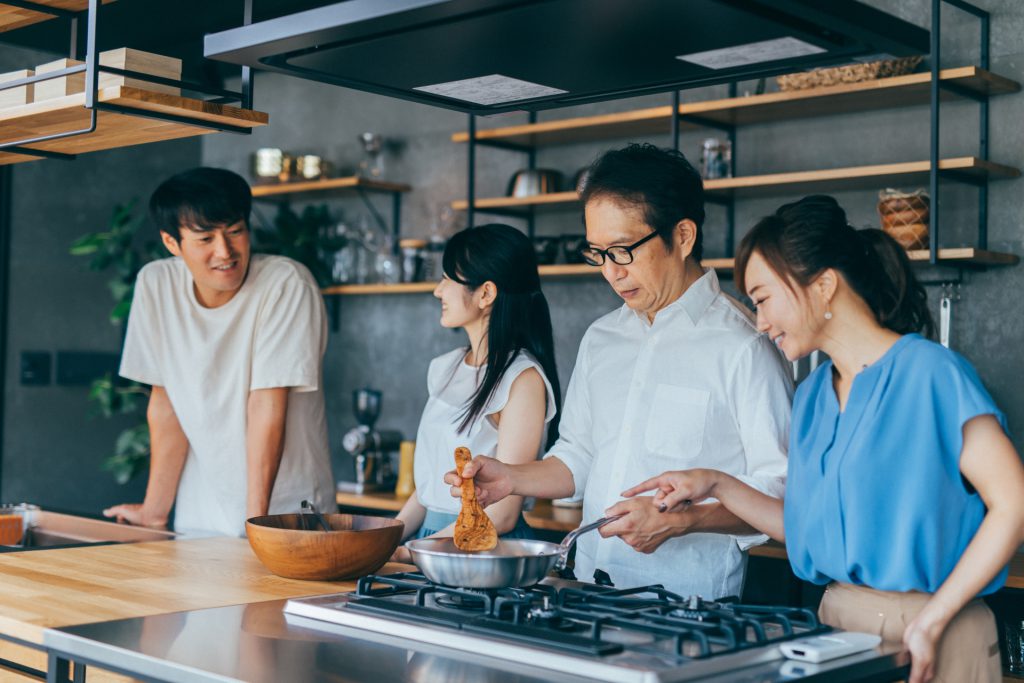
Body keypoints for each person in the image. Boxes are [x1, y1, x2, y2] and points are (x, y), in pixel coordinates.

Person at [623, 195, 1024, 683]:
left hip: (935, 633)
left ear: (824, 286)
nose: (760, 321)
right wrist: (716, 483)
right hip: (837, 631)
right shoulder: (814, 393)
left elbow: (1013, 503)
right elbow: (805, 529)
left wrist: (936, 617)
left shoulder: (931, 374)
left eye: (764, 298)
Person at [445, 144, 792, 598]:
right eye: (597, 253)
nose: (610, 272)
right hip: (588, 589)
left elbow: (780, 494)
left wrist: (684, 521)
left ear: (683, 236)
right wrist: (511, 476)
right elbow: (579, 457)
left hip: (688, 606)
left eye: (623, 250)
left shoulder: (746, 345)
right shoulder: (602, 337)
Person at [103, 167, 335, 537]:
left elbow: (267, 405)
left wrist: (255, 525)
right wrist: (153, 511)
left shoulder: (286, 284)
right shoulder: (156, 284)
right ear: (171, 243)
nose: (224, 252)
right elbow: (165, 405)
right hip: (199, 516)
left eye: (235, 232)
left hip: (284, 518)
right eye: (205, 238)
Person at [390, 224, 560, 562]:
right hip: (432, 543)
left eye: (448, 279)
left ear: (485, 294)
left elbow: (503, 514)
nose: (438, 291)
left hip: (482, 550)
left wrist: (410, 553)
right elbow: (427, 494)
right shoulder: (446, 367)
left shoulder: (522, 379)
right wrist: (384, 540)